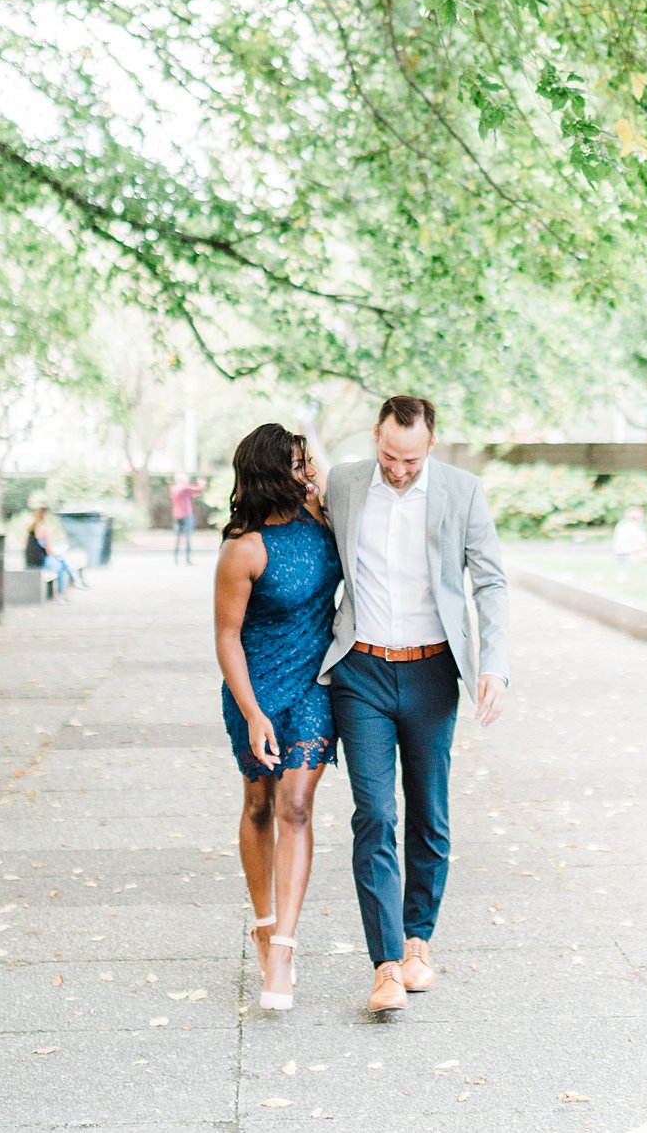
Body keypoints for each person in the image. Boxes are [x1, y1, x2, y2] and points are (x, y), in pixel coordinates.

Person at [318, 394, 509, 1016]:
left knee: (429, 812)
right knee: (374, 813)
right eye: (388, 456)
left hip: (432, 673)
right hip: (361, 670)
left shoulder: (463, 491)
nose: (398, 470)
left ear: (431, 444)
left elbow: (490, 580)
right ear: (375, 437)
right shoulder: (344, 483)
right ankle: (385, 964)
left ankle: (418, 940)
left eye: (411, 459)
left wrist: (494, 665)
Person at [214, 425, 342, 1014]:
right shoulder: (243, 548)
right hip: (256, 691)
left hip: (314, 686)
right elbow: (227, 636)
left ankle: (284, 951)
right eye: (296, 464)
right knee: (259, 804)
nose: (308, 471)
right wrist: (251, 712)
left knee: (295, 805)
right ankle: (263, 924)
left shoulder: (320, 515)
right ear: (270, 474)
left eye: (307, 461)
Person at [25, 503, 81, 599]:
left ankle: (75, 581)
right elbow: (49, 550)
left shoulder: (31, 527)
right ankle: (63, 594)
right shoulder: (45, 528)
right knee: (60, 567)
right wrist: (56, 555)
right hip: (40, 560)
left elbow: (24, 544)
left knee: (62, 562)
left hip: (30, 559)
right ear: (45, 515)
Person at [170, 473, 207, 564]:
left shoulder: (174, 488)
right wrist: (201, 482)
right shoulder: (183, 488)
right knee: (187, 538)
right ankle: (186, 559)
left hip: (178, 516)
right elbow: (199, 488)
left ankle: (177, 559)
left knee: (179, 538)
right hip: (186, 516)